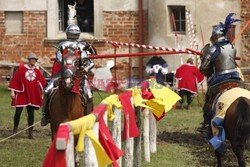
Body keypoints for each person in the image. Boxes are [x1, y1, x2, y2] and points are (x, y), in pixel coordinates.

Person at [41, 24, 96, 126]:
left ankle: (88, 119)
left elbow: (91, 63)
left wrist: (85, 68)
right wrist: (67, 62)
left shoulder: (83, 45)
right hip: (63, 73)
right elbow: (59, 58)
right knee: (47, 90)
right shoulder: (62, 44)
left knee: (88, 95)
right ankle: (45, 115)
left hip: (79, 75)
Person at [197, 13, 241, 133]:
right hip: (235, 77)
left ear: (215, 36)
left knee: (209, 97)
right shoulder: (232, 47)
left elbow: (204, 68)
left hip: (220, 78)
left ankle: (207, 123)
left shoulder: (214, 49)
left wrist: (204, 58)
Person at [9, 53, 46, 139]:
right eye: (32, 59)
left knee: (31, 114)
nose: (34, 61)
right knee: (18, 112)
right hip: (22, 94)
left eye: (35, 60)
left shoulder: (37, 71)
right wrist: (12, 92)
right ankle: (14, 130)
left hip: (32, 95)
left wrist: (42, 94)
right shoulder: (22, 69)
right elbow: (15, 80)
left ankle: (30, 132)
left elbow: (42, 83)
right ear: (29, 60)